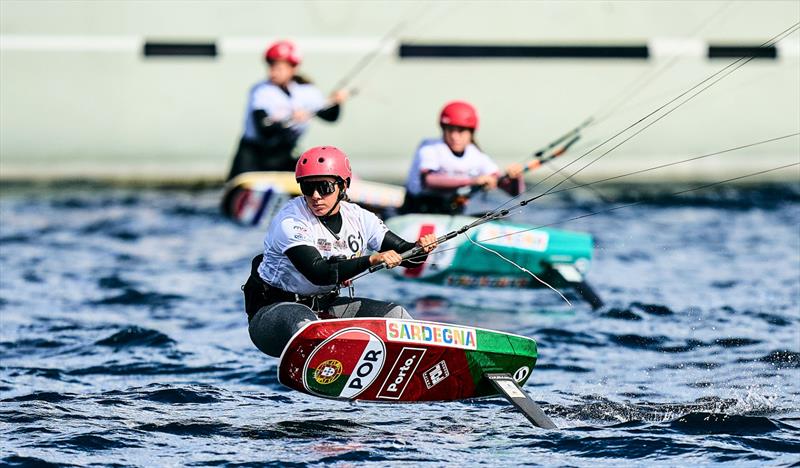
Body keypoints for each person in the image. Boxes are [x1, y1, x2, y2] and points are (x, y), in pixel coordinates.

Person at [243, 145, 438, 357]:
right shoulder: (290, 220)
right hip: (274, 313)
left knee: (396, 316)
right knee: (309, 328)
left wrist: (420, 249)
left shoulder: (361, 218)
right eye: (308, 188)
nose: (316, 196)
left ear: (343, 185)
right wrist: (371, 260)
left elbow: (405, 255)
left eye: (324, 187)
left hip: (325, 308)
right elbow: (318, 273)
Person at [226, 40, 349, 180]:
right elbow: (264, 128)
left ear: (293, 69)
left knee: (303, 177)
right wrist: (291, 117)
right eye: (271, 66)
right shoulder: (261, 91)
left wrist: (337, 102)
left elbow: (330, 116)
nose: (273, 72)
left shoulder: (306, 92)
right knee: (239, 186)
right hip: (255, 154)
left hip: (285, 153)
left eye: (279, 68)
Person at [400, 100, 524, 214]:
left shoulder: (477, 155)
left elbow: (512, 192)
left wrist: (515, 178)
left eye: (461, 131)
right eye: (450, 130)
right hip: (417, 208)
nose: (454, 136)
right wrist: (473, 181)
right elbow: (429, 181)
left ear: (471, 132)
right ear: (443, 130)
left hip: (450, 210)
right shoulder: (429, 147)